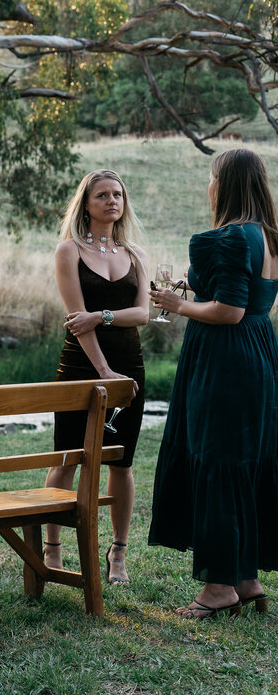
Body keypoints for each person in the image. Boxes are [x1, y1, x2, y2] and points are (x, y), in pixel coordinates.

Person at [149, 148, 278, 619]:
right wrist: (192, 289)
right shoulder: (269, 237)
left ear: (224, 184)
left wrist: (176, 303)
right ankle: (247, 580)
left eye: (211, 176)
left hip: (223, 361)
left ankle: (219, 588)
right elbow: (247, 299)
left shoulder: (223, 237)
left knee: (218, 463)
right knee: (245, 464)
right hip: (262, 354)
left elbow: (228, 310)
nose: (208, 185)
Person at [43, 170, 147, 583]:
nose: (111, 201)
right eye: (102, 195)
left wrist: (101, 315)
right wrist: (104, 371)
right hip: (81, 369)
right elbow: (75, 321)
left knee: (121, 462)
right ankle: (52, 546)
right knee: (68, 457)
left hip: (131, 368)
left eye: (117, 194)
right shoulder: (68, 251)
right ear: (86, 203)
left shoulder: (134, 254)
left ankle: (118, 551)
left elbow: (143, 314)